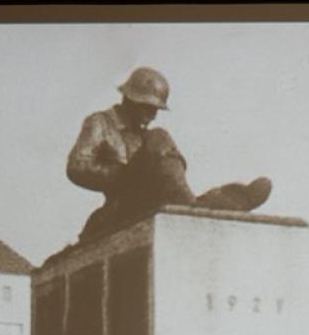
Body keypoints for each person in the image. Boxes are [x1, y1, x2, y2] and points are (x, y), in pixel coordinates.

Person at [66, 67, 273, 241]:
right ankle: (191, 207)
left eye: (156, 110)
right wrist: (123, 175)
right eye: (148, 108)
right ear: (131, 100)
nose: (153, 115)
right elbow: (77, 167)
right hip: (122, 204)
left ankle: (226, 199)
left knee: (160, 146)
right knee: (159, 137)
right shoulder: (100, 122)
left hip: (153, 199)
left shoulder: (143, 134)